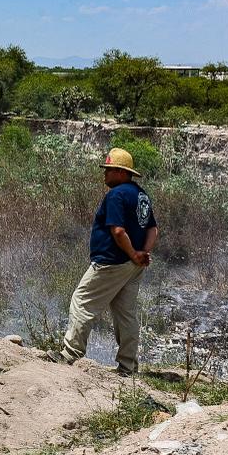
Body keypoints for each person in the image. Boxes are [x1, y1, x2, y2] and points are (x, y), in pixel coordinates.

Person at [54, 147, 159, 376]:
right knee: (125, 313)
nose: (105, 174)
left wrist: (133, 254)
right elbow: (153, 229)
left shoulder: (116, 195)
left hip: (112, 262)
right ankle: (127, 366)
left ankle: (70, 355)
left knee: (82, 301)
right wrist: (142, 254)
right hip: (133, 266)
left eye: (109, 169)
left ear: (121, 172)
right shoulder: (141, 195)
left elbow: (118, 231)